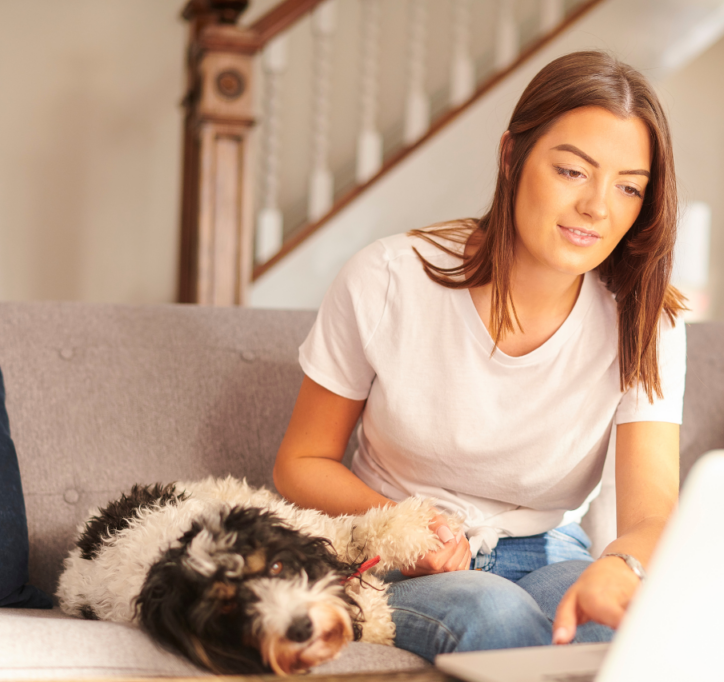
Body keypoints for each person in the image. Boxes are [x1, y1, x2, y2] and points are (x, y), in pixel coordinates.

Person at [272, 50, 686, 661]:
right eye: (573, 171)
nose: (598, 207)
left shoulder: (644, 318)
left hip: (547, 549)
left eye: (628, 187)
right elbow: (300, 462)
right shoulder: (389, 278)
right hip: (399, 552)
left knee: (609, 630)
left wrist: (621, 565)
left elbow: (653, 514)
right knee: (495, 619)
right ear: (511, 156)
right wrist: (408, 525)